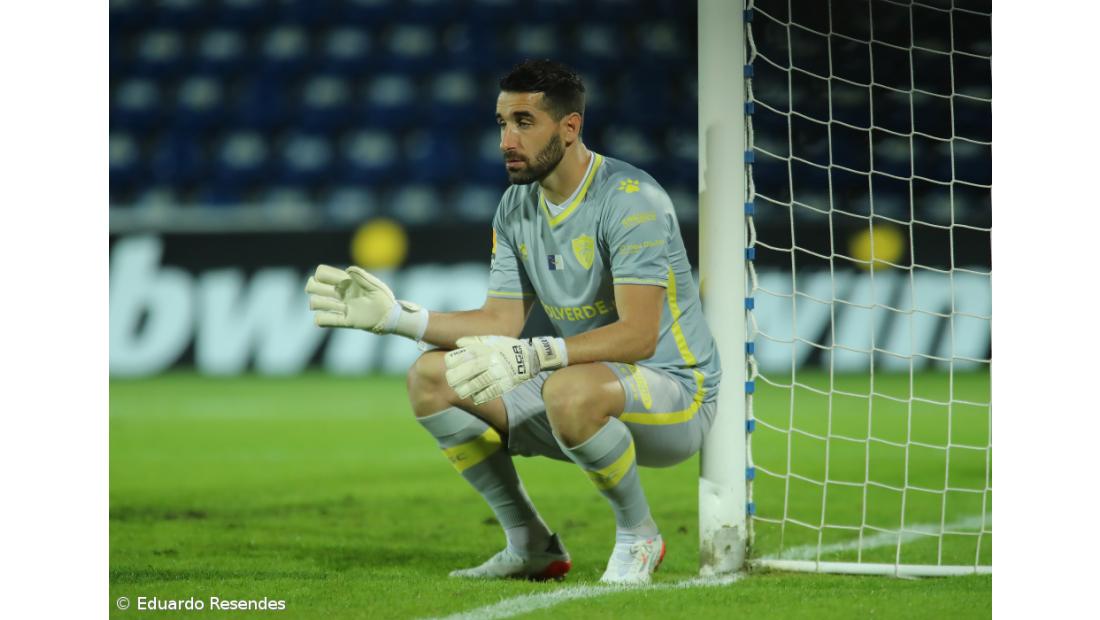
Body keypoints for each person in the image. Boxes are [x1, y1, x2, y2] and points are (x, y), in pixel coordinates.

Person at [305, 59, 721, 585]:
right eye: (502, 123)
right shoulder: (515, 206)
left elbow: (638, 337)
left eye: (524, 122)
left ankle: (639, 535)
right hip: (584, 386)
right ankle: (531, 544)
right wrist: (397, 318)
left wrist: (540, 353)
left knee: (569, 390)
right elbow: (498, 321)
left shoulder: (629, 201)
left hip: (679, 396)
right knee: (433, 377)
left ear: (569, 128)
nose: (507, 139)